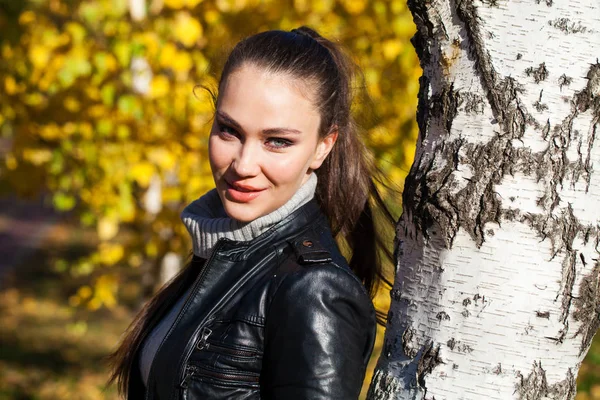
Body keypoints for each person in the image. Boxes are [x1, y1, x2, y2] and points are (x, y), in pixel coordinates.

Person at [109, 26, 394, 399]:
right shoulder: (225, 249)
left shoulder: (314, 290)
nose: (243, 164)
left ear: (323, 147)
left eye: (277, 141)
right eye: (229, 131)